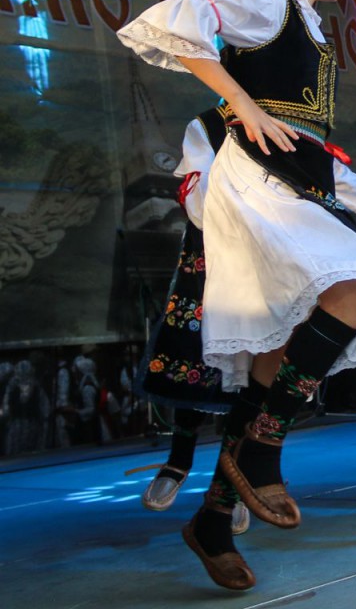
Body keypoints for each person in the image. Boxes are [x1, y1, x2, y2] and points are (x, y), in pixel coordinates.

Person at [118, 0, 356, 590]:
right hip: (253, 184)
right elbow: (175, 19)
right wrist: (239, 102)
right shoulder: (268, 2)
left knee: (275, 359)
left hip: (292, 181)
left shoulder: (309, 30)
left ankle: (214, 520)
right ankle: (261, 449)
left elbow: (316, 153)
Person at [130, 106, 248, 537]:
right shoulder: (207, 125)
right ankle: (179, 459)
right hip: (211, 251)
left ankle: (232, 481)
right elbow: (198, 202)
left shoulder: (286, 120)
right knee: (194, 349)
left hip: (264, 254)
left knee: (249, 363)